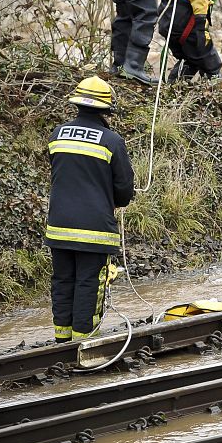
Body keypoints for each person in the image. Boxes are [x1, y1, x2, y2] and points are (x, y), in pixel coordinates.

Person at [44, 76, 135, 342]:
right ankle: (83, 343)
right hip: (94, 230)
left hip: (59, 226)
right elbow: (124, 190)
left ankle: (62, 339)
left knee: (62, 280)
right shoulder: (112, 141)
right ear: (107, 109)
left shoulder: (57, 135)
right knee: (89, 283)